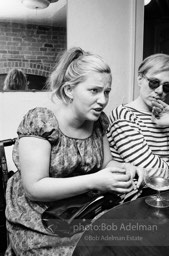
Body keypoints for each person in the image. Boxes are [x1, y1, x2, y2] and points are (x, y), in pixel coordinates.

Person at [5, 47, 142, 256]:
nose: (103, 100)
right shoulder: (41, 121)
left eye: (106, 92)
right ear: (69, 90)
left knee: (126, 238)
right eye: (94, 91)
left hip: (79, 207)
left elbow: (107, 163)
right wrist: (95, 181)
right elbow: (34, 188)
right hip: (38, 216)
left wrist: (123, 167)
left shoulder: (97, 121)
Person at [107, 53, 169, 178]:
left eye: (167, 86)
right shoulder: (124, 115)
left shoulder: (166, 115)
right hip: (137, 193)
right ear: (140, 79)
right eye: (154, 82)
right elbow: (149, 168)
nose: (160, 91)